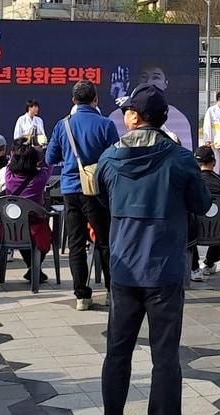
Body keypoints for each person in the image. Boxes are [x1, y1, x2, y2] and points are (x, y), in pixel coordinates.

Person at [96, 82, 211, 415]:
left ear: (134, 117)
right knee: (165, 357)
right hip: (165, 270)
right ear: (163, 118)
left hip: (123, 269)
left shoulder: (109, 158)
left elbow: (105, 200)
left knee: (117, 352)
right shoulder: (180, 159)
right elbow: (201, 204)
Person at [46, 80, 122, 311]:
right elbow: (116, 158)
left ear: (73, 101)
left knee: (76, 244)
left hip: (70, 190)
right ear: (96, 99)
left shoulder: (63, 125)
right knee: (106, 242)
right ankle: (112, 292)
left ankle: (82, 296)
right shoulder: (106, 124)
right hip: (98, 191)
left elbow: (50, 158)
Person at [0, 141, 53, 283]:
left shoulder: (9, 176)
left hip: (13, 227)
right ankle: (34, 268)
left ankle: (32, 267)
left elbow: (10, 161)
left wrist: (18, 151)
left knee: (23, 236)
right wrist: (41, 151)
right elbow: (49, 164)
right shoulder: (40, 179)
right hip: (36, 226)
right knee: (43, 237)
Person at [189, 146, 220, 281]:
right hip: (219, 234)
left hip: (193, 233)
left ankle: (194, 268)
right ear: (214, 162)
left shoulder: (192, 183)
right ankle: (210, 263)